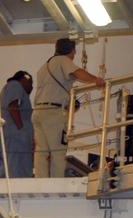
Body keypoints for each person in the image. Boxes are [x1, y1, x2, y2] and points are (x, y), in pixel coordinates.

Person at [32, 38, 106, 177]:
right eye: (74, 52)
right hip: (53, 113)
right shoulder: (63, 61)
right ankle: (56, 182)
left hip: (38, 111)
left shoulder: (44, 67)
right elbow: (78, 73)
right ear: (72, 51)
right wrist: (96, 80)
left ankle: (40, 181)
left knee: (41, 151)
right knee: (58, 152)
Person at [0, 71, 34, 178]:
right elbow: (13, 106)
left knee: (9, 170)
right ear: (24, 79)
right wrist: (21, 129)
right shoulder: (14, 85)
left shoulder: (10, 89)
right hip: (16, 139)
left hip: (15, 138)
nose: (32, 86)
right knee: (15, 173)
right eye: (30, 82)